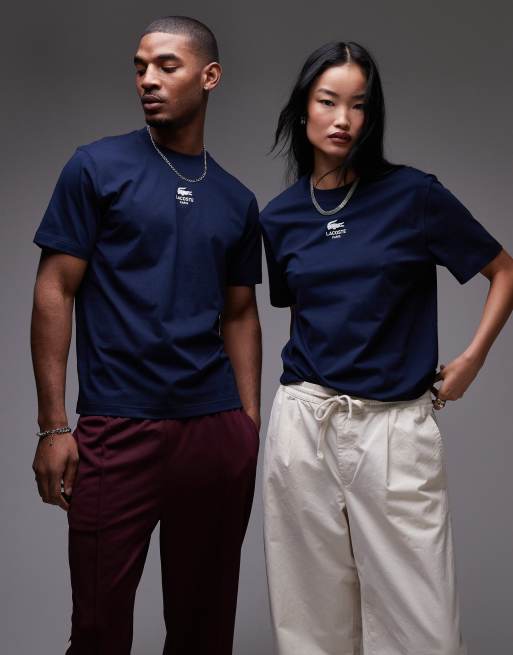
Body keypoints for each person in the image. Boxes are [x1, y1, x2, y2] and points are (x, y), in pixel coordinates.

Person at [259, 40, 513, 655]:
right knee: (310, 625)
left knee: (423, 627)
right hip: (304, 424)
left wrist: (473, 359)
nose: (343, 119)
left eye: (359, 105)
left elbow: (504, 270)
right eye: (328, 101)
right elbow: (306, 316)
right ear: (303, 108)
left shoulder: (413, 195)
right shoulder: (280, 218)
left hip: (394, 428)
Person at [31, 15, 262, 655]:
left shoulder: (237, 200)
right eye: (140, 67)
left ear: (209, 76)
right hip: (117, 427)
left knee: (203, 630)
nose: (148, 80)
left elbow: (241, 313)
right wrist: (53, 426)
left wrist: (248, 425)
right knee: (98, 630)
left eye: (167, 66)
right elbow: (55, 290)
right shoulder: (96, 167)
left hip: (213, 432)